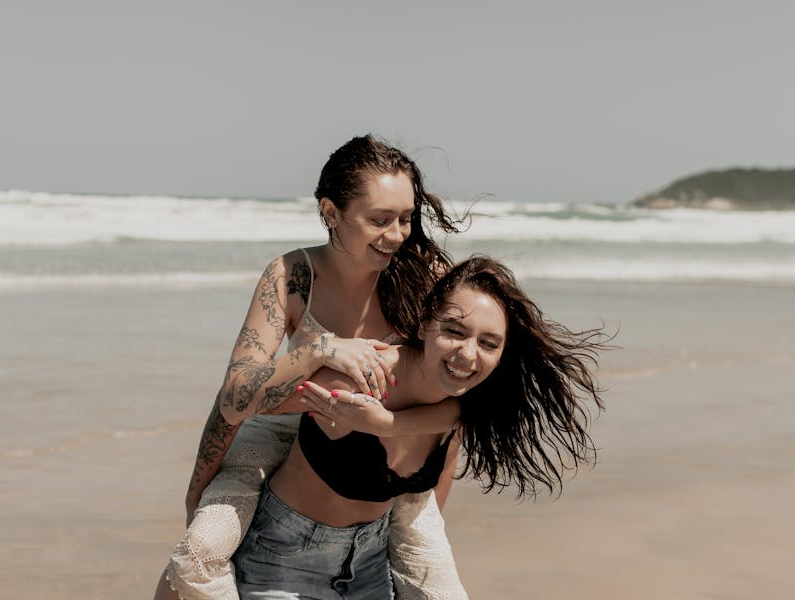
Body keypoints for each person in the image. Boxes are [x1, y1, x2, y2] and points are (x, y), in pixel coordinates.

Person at [154, 135, 468, 600]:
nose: (398, 234)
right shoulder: (290, 276)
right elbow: (236, 393)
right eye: (379, 220)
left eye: (405, 217)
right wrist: (320, 350)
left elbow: (463, 399)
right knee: (196, 553)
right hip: (284, 429)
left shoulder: (427, 277)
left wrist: (421, 501)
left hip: (396, 440)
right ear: (330, 212)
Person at [231, 256, 606, 598]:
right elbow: (237, 407)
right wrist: (200, 494)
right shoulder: (358, 379)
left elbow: (436, 491)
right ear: (426, 324)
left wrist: (386, 425)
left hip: (371, 566)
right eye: (455, 332)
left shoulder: (464, 404)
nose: (468, 354)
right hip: (285, 560)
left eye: (488, 343)